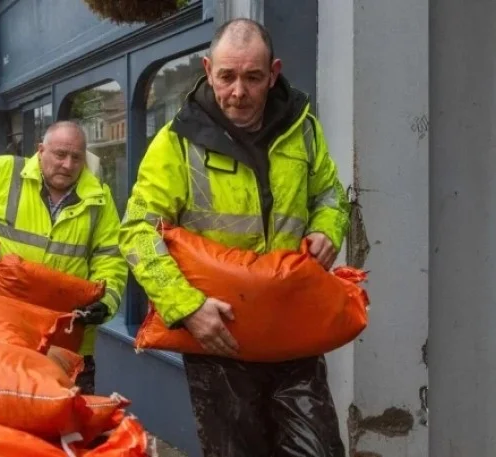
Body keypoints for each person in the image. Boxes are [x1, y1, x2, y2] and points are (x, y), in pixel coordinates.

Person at [118, 18, 351, 457]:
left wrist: (327, 228)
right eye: (226, 77)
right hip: (218, 337)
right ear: (208, 70)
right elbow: (135, 231)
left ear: (274, 72)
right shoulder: (177, 143)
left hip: (290, 331)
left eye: (252, 77)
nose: (238, 92)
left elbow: (330, 195)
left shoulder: (303, 128)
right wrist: (185, 307)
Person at [0, 121, 128, 395]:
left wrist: (106, 300)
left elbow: (110, 255)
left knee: (66, 424)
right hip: (1, 328)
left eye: (76, 157)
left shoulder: (99, 197)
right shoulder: (4, 171)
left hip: (65, 340)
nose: (67, 164)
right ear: (41, 150)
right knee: (1, 412)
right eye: (60, 154)